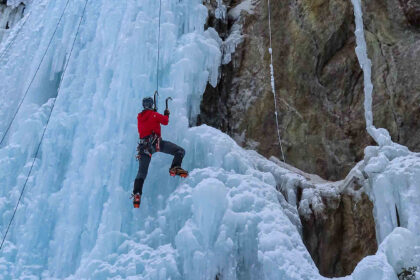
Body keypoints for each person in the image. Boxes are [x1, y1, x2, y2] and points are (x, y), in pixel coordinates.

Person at [132, 96, 188, 208]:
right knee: (179, 151)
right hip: (156, 144)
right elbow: (165, 121)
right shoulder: (154, 115)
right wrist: (166, 113)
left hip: (144, 148)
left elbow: (148, 123)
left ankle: (137, 193)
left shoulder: (139, 117)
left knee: (141, 173)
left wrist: (154, 113)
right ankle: (175, 167)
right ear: (151, 105)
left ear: (143, 105)